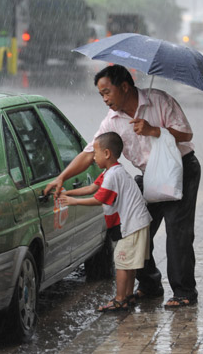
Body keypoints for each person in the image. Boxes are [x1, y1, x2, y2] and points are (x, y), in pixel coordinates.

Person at [45, 64, 201, 308]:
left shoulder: (159, 101)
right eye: (101, 95)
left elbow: (186, 133)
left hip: (180, 169)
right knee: (135, 229)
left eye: (107, 92)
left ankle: (184, 292)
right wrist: (61, 178)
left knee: (177, 234)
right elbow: (89, 153)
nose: (105, 99)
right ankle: (150, 285)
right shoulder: (113, 120)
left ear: (125, 87)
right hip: (150, 175)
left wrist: (154, 130)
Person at [59, 131, 152, 312]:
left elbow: (99, 198)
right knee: (129, 263)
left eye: (95, 153)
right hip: (137, 222)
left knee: (122, 262)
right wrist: (67, 193)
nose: (93, 158)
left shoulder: (112, 176)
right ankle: (127, 297)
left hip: (132, 224)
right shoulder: (111, 171)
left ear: (107, 153)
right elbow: (92, 187)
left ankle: (119, 299)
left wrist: (72, 202)